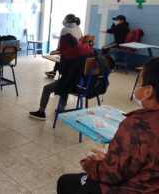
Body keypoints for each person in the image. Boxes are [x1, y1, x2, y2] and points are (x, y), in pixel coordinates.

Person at [57, 57, 159, 194]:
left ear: (148, 91)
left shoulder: (136, 126)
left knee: (65, 182)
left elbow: (111, 175)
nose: (136, 87)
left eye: (139, 82)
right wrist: (113, 158)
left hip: (132, 189)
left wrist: (90, 163)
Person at [29, 33, 94, 120]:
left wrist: (62, 61)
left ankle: (41, 112)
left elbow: (62, 72)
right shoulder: (88, 50)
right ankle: (61, 109)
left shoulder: (68, 54)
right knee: (65, 82)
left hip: (73, 85)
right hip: (86, 84)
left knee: (48, 88)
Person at [45, 14, 83, 78]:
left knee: (61, 54)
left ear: (68, 21)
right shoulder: (79, 28)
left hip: (68, 54)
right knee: (62, 54)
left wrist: (57, 49)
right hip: (78, 53)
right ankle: (54, 72)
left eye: (65, 19)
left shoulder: (65, 29)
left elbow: (60, 41)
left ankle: (54, 72)